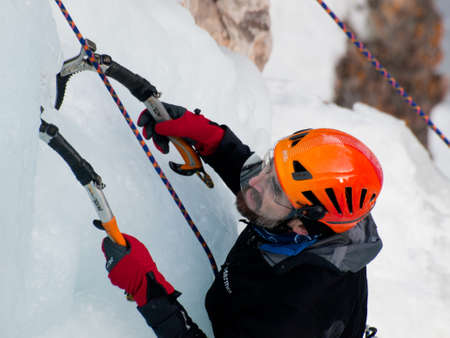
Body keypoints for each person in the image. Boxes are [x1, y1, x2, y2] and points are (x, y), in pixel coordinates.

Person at [91, 54, 383, 338]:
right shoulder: (323, 218)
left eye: (277, 189)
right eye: (271, 166)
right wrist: (213, 139)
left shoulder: (295, 316)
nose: (255, 179)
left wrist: (150, 292)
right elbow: (263, 188)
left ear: (303, 226)